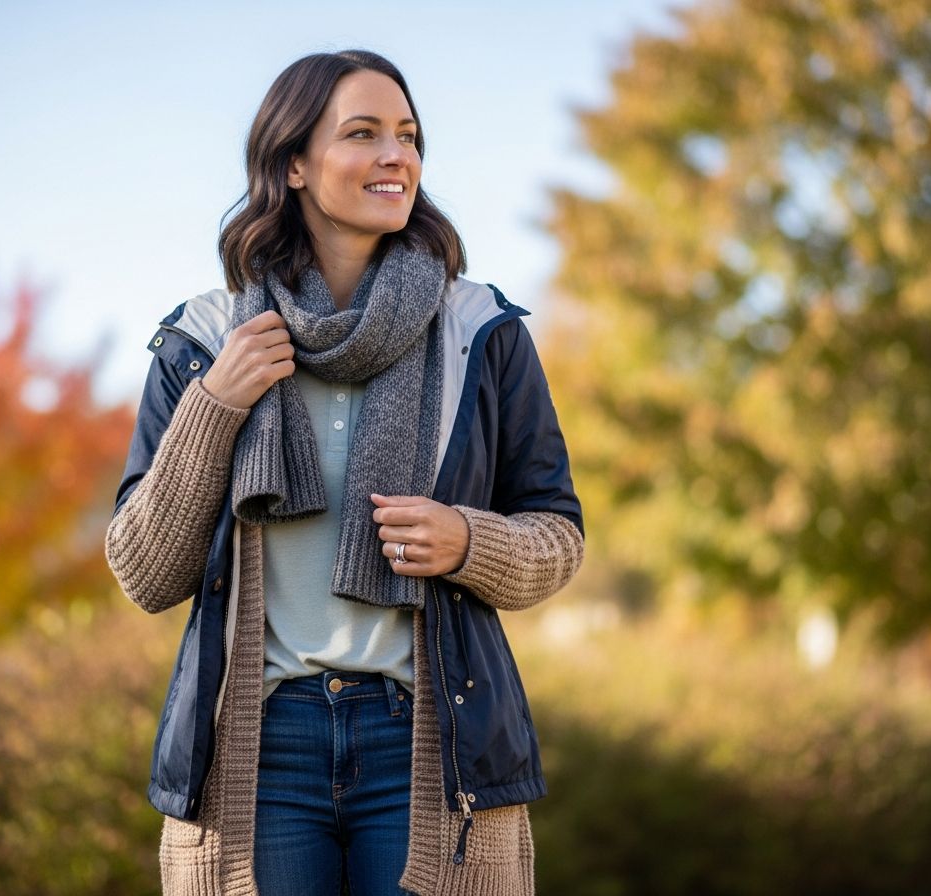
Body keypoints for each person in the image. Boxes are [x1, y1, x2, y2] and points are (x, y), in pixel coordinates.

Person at [104, 48, 584, 896]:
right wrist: (217, 404)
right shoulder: (204, 342)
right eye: (363, 134)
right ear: (293, 162)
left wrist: (467, 540)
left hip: (428, 743)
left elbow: (559, 533)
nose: (395, 155)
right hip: (262, 747)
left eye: (407, 136)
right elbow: (145, 572)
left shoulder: (481, 330)